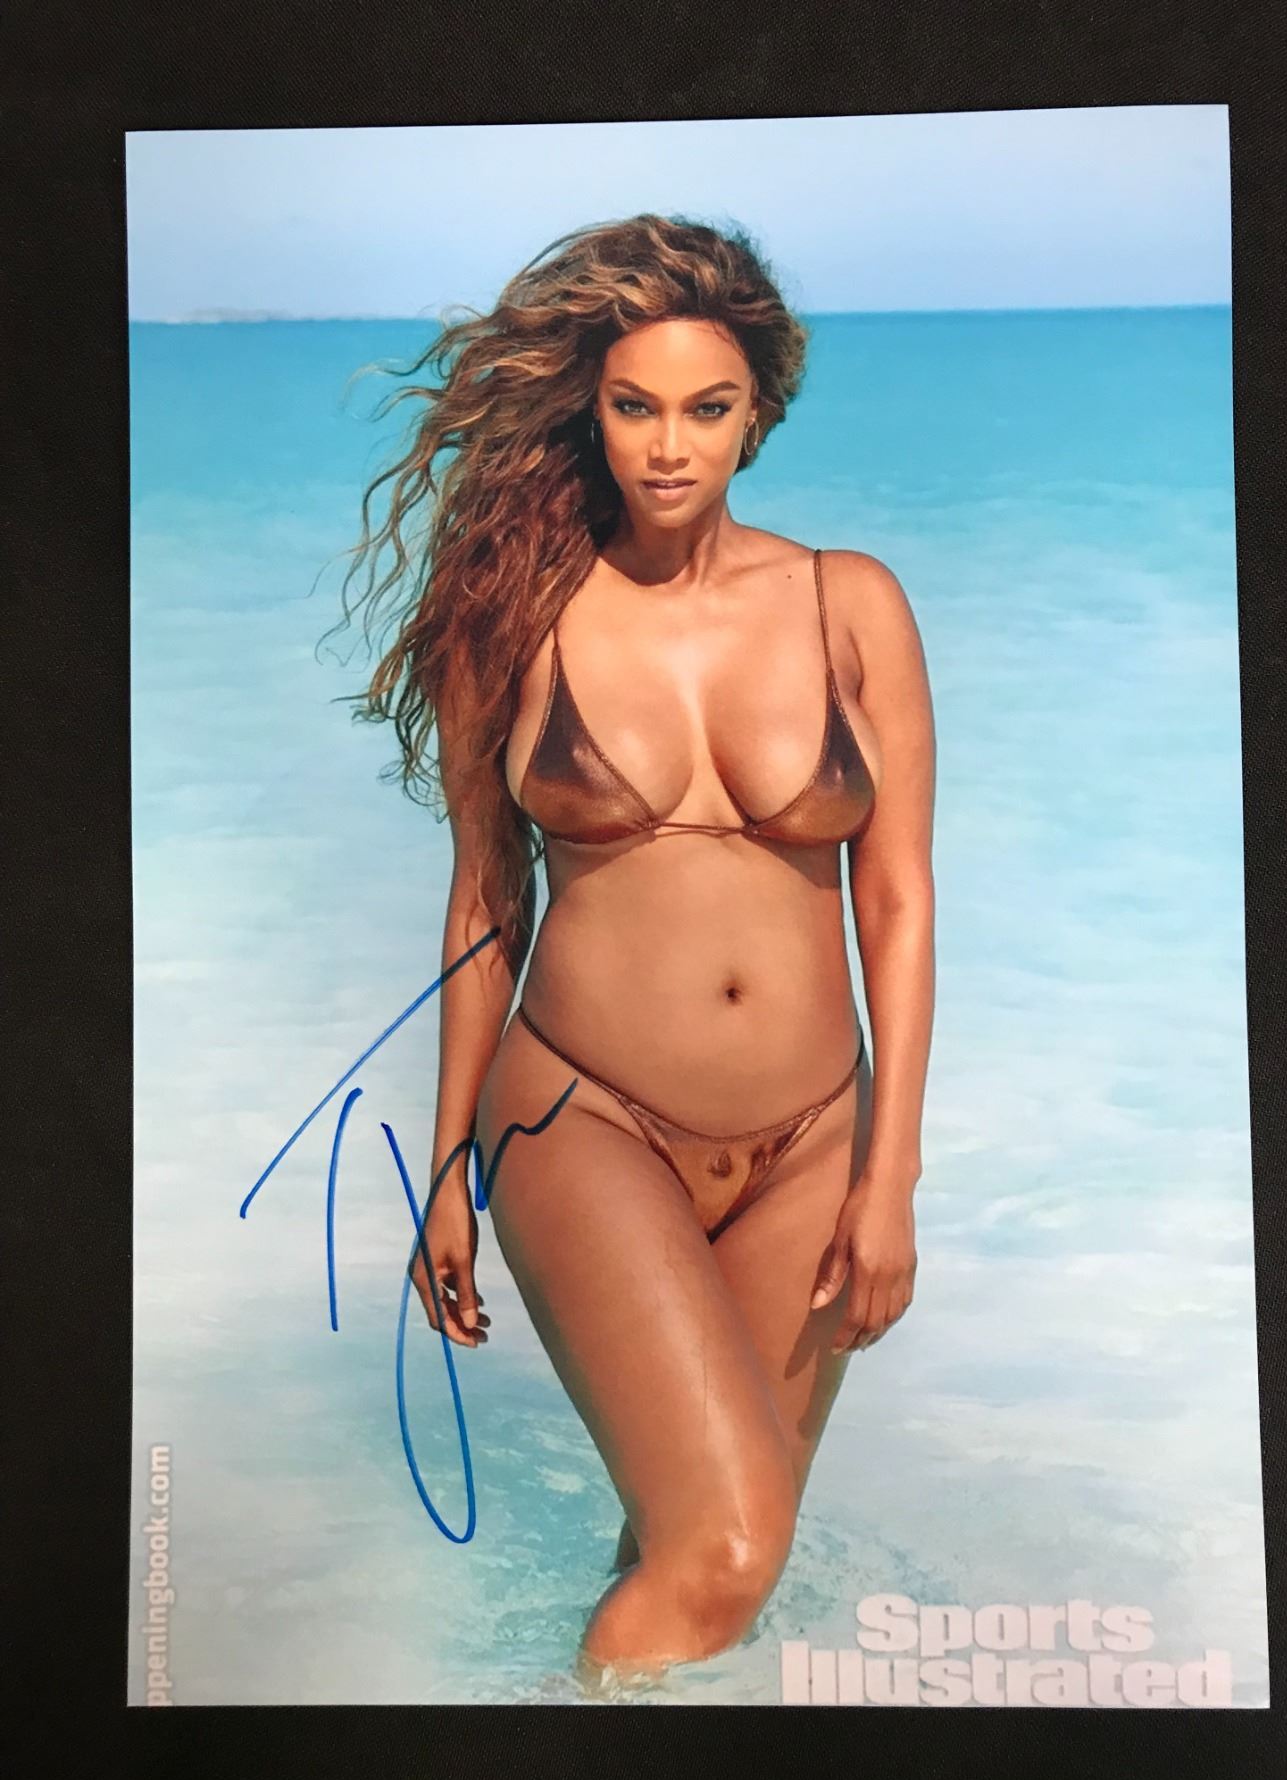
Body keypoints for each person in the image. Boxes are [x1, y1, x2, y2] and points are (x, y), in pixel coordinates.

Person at [331, 213, 935, 1687]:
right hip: (582, 1118)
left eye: (706, 409)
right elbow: (485, 902)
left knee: (703, 1551)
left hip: (812, 1139)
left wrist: (889, 1175)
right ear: (589, 410)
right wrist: (448, 1169)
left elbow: (899, 901)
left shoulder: (848, 603)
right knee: (724, 1554)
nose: (669, 447)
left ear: (758, 412)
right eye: (634, 406)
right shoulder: (513, 614)